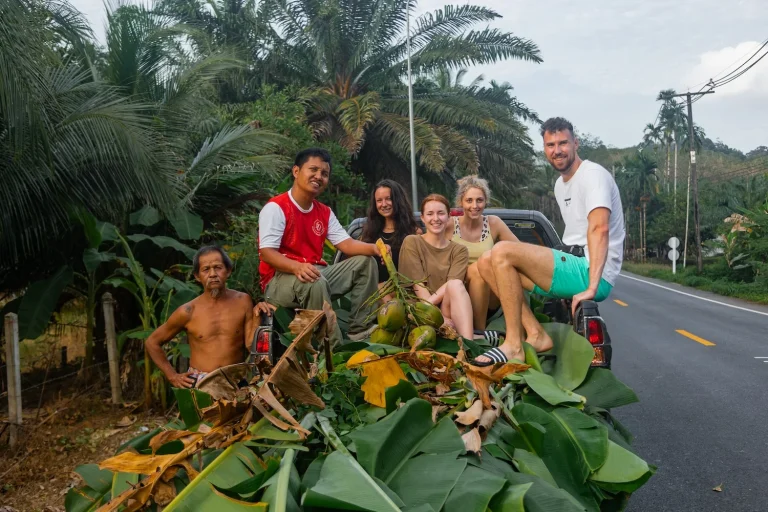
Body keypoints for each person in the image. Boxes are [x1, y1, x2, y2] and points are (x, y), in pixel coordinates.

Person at [473, 117, 625, 365]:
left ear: (576, 143)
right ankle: (535, 334)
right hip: (572, 264)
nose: (557, 150)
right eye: (550, 145)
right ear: (544, 149)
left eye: (563, 143)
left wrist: (591, 287)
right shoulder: (560, 184)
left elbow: (600, 228)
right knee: (486, 262)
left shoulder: (593, 175)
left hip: (588, 270)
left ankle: (513, 344)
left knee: (501, 251)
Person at [258, 148, 384, 347]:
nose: (319, 177)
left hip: (316, 274)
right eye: (313, 170)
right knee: (313, 280)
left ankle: (359, 330)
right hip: (279, 281)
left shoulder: (323, 212)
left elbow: (346, 244)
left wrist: (376, 249)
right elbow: (267, 253)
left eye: (324, 174)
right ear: (296, 171)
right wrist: (296, 267)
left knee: (365, 262)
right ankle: (331, 349)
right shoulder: (276, 207)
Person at [146, 245, 274, 388]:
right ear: (197, 276)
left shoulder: (243, 301)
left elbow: (251, 346)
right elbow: (152, 342)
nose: (212, 274)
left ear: (228, 271)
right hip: (201, 383)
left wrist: (257, 315)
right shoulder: (188, 311)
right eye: (206, 269)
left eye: (218, 267)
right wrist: (173, 376)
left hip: (236, 382)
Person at [450, 175, 522, 336]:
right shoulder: (449, 225)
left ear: (486, 201)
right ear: (461, 202)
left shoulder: (493, 223)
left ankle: (479, 333)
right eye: (469, 200)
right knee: (472, 272)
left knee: (479, 268)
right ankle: (476, 332)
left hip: (491, 295)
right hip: (460, 293)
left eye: (479, 200)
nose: (474, 206)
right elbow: (430, 247)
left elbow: (520, 251)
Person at [398, 194, 474, 340]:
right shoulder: (412, 242)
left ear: (449, 216)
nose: (436, 219)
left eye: (440, 213)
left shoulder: (459, 250)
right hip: (419, 312)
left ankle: (469, 346)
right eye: (430, 214)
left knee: (455, 284)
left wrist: (444, 318)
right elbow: (418, 286)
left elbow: (452, 287)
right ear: (422, 218)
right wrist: (437, 318)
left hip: (448, 312)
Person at [359, 179, 421, 298]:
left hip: (406, 294)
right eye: (379, 200)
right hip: (374, 297)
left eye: (388, 199)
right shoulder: (368, 235)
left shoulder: (414, 233)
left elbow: (418, 271)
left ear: (398, 200)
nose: (384, 204)